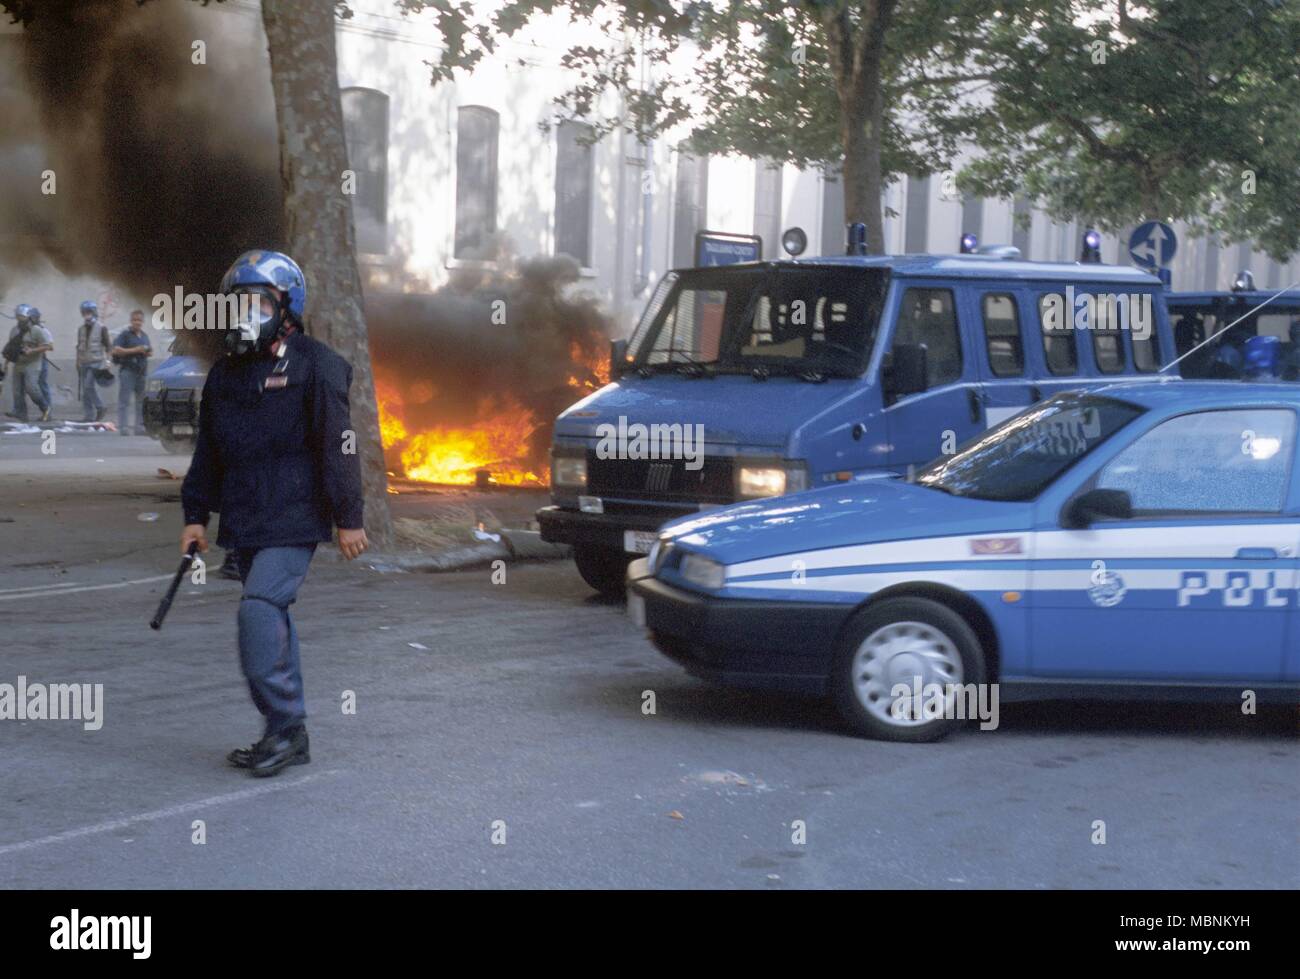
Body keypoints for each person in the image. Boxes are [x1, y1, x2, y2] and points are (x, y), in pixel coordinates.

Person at [180, 250, 369, 777]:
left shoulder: (316, 365)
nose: (245, 313)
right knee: (273, 618)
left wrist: (349, 516)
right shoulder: (225, 375)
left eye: (258, 302)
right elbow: (208, 452)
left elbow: (341, 446)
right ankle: (287, 733)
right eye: (237, 302)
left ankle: (285, 725)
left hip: (295, 515)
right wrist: (195, 515)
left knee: (259, 610)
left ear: (286, 307)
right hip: (246, 519)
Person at [4, 304, 53, 423]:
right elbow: (11, 348)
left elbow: (49, 346)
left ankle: (45, 408)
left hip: (33, 362)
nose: (20, 320)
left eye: (22, 317)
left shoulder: (36, 330)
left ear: (29, 317)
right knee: (17, 390)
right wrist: (6, 363)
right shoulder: (14, 331)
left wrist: (32, 350)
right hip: (19, 362)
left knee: (32, 388)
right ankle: (21, 413)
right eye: (18, 317)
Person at [111, 309, 153, 435]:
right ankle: (123, 428)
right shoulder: (125, 335)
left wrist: (146, 351)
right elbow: (116, 350)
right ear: (131, 321)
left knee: (141, 402)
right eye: (135, 320)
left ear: (142, 322)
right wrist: (136, 350)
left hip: (141, 372)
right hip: (128, 371)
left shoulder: (144, 336)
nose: (137, 323)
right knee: (124, 401)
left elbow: (149, 351)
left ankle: (139, 427)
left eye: (139, 320)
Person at [75, 300, 112, 423]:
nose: (87, 315)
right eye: (84, 312)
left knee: (88, 386)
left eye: (89, 312)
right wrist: (77, 361)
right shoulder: (81, 329)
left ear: (94, 312)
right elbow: (79, 346)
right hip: (84, 362)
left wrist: (108, 361)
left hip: (96, 362)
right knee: (85, 391)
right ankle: (88, 416)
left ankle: (101, 407)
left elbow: (108, 346)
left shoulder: (102, 328)